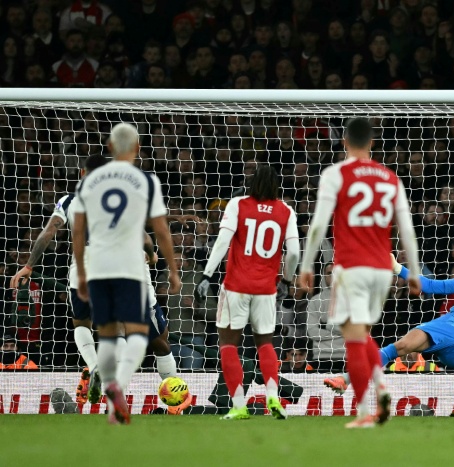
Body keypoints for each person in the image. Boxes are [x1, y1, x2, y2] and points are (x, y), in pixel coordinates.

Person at [10, 155, 185, 408]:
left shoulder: (68, 201)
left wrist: (28, 266)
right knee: (156, 335)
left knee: (83, 322)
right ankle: (174, 398)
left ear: (83, 174)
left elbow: (48, 232)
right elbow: (144, 236)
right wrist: (151, 254)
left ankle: (96, 368)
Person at [298, 117, 421, 429]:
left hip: (351, 267)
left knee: (352, 340)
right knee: (362, 334)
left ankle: (366, 410)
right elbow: (406, 228)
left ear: (343, 142)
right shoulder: (390, 177)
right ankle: (381, 391)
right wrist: (414, 272)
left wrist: (307, 265)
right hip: (383, 269)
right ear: (372, 143)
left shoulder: (335, 174)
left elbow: (317, 225)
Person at [72, 123, 180, 425]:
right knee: (139, 332)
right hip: (130, 265)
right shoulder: (146, 181)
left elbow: (78, 231)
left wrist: (81, 272)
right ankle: (120, 383)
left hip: (99, 266)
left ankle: (111, 394)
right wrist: (171, 269)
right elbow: (160, 229)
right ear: (137, 148)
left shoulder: (90, 183)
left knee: (108, 337)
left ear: (108, 147)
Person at [324, 251, 454, 403]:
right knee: (402, 345)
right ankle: (346, 379)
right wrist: (398, 269)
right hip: (443, 329)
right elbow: (433, 286)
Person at [195, 165, 300, 421]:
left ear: (252, 183)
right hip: (266, 289)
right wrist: (285, 280)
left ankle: (239, 405)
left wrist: (207, 275)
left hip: (236, 287)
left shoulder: (237, 204)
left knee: (229, 344)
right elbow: (295, 252)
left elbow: (222, 241)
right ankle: (273, 396)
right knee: (265, 344)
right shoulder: (286, 211)